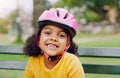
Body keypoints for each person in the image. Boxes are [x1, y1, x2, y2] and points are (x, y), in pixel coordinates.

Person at [23, 8, 85, 78]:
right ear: (39, 37)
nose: (54, 38)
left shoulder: (72, 62)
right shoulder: (33, 61)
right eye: (48, 33)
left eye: (61, 35)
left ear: (67, 43)